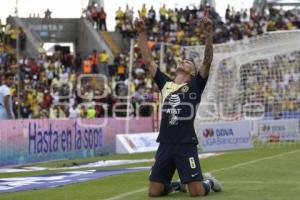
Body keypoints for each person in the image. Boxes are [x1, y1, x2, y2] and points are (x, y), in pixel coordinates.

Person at [135, 9, 222, 197]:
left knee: (197, 192)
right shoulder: (166, 84)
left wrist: (208, 34)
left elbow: (207, 61)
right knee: (153, 192)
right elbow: (149, 61)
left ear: (192, 72)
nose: (184, 61)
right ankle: (177, 185)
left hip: (185, 143)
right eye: (183, 60)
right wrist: (141, 32)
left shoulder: (195, 85)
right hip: (165, 142)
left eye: (189, 62)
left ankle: (208, 182)